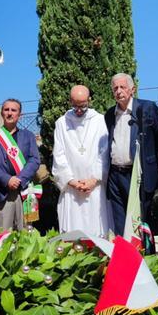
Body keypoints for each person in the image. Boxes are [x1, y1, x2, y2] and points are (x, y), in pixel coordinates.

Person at [104, 73, 158, 243]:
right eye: (115, 88)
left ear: (132, 89)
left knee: (141, 222)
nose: (118, 91)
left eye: (122, 87)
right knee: (120, 222)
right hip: (115, 175)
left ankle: (147, 261)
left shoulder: (147, 108)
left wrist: (149, 161)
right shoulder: (109, 115)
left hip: (139, 174)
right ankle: (125, 262)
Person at [51, 85, 111, 236]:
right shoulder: (61, 123)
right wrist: (71, 181)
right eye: (75, 105)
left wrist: (94, 179)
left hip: (95, 188)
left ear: (89, 101)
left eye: (83, 106)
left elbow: (104, 152)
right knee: (73, 233)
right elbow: (59, 155)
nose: (79, 110)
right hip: (72, 190)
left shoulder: (100, 121)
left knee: (98, 231)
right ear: (70, 101)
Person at [0, 99, 41, 230]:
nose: (9, 113)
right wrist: (7, 179)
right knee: (3, 236)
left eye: (14, 110)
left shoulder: (28, 136)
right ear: (1, 113)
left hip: (24, 191)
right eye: (6, 110)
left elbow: (34, 159)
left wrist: (20, 179)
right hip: (2, 191)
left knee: (26, 234)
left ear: (20, 115)